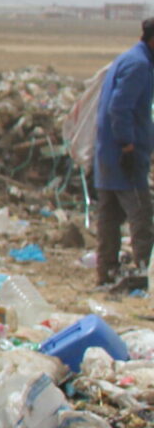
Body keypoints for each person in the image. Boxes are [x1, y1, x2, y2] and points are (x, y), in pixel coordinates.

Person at [92, 18, 154, 290]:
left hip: (107, 156)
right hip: (124, 156)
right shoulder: (139, 65)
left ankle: (106, 273)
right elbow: (119, 107)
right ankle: (144, 274)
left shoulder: (127, 59)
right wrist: (128, 145)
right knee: (141, 217)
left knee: (109, 219)